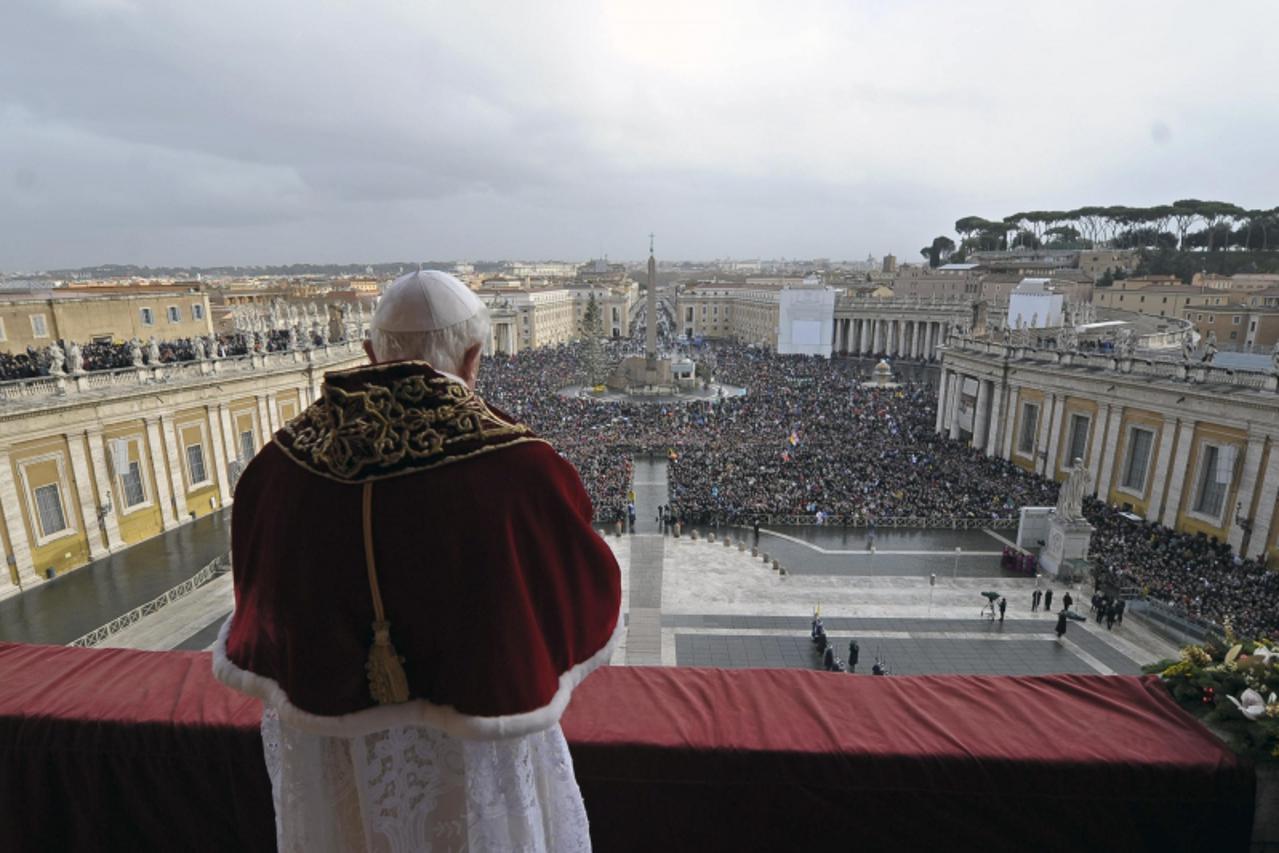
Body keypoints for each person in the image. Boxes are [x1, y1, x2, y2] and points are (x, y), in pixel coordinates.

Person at [213, 270, 623, 853]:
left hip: (342, 757)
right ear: (475, 356)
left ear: (370, 352)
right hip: (476, 753)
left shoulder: (277, 470)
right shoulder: (523, 470)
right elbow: (584, 596)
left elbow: (261, 615)